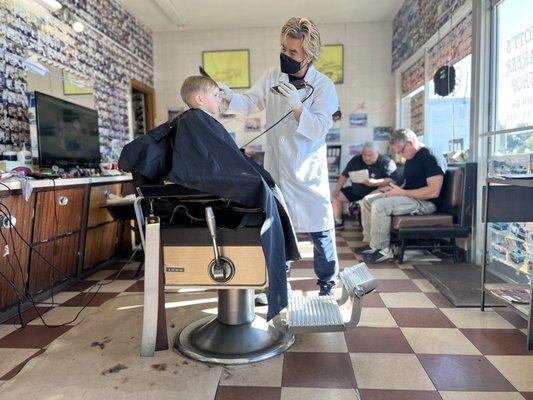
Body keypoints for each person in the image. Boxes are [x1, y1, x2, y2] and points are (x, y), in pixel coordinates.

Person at [218, 17, 339, 296]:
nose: (286, 55)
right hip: (278, 168)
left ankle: (327, 286)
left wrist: (298, 107)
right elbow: (249, 102)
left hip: (307, 171)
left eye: (293, 52)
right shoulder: (272, 76)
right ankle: (278, 284)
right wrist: (226, 96)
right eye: (284, 48)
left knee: (320, 231)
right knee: (279, 227)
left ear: (308, 56)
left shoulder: (323, 86)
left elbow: (319, 127)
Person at [359, 129, 444, 263]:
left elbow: (434, 191)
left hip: (426, 202)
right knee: (368, 201)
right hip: (410, 197)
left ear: (410, 143)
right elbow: (409, 183)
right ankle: (372, 245)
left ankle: (383, 250)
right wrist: (393, 190)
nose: (401, 155)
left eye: (401, 151)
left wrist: (401, 192)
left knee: (380, 205)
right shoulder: (411, 157)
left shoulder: (430, 157)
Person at [331, 142, 398, 229]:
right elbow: (344, 175)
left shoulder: (386, 161)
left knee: (372, 197)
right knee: (336, 196)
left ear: (377, 153)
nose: (366, 158)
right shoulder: (355, 160)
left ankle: (370, 225)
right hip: (357, 191)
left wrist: (375, 182)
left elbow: (393, 180)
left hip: (376, 193)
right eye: (364, 155)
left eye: (370, 155)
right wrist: (337, 189)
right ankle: (338, 221)